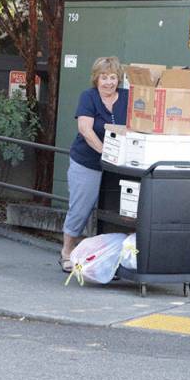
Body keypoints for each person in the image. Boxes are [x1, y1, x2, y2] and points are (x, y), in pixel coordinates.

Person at [60, 56, 128, 272]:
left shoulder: (127, 97)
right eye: (104, 77)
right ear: (96, 79)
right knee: (80, 209)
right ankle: (67, 252)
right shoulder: (88, 97)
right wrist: (105, 153)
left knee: (116, 213)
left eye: (113, 77)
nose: (109, 82)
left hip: (120, 167)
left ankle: (107, 257)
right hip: (87, 162)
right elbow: (85, 130)